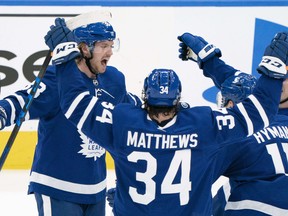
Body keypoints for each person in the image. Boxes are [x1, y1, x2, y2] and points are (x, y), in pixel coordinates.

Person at [46, 21, 287, 215]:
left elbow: (74, 102)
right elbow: (259, 110)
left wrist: (66, 60)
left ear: (144, 99)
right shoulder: (204, 124)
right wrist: (272, 71)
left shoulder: (123, 121)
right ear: (179, 100)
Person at [0, 17, 139, 216]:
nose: (110, 52)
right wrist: (2, 112)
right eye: (103, 45)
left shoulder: (114, 79)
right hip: (56, 187)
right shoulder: (57, 77)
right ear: (83, 48)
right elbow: (23, 99)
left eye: (111, 45)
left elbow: (129, 109)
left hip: (96, 188)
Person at [212, 73, 288, 215]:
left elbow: (198, 182)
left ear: (231, 104)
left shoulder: (234, 136)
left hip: (260, 204)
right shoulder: (283, 121)